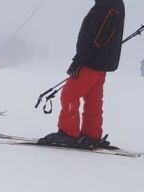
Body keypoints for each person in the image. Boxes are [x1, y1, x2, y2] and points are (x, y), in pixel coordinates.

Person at [38, 0, 125, 149]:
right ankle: (91, 135)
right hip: (100, 62)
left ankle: (68, 133)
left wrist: (79, 60)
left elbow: (98, 37)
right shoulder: (113, 4)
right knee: (93, 98)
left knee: (70, 94)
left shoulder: (106, 5)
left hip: (92, 61)